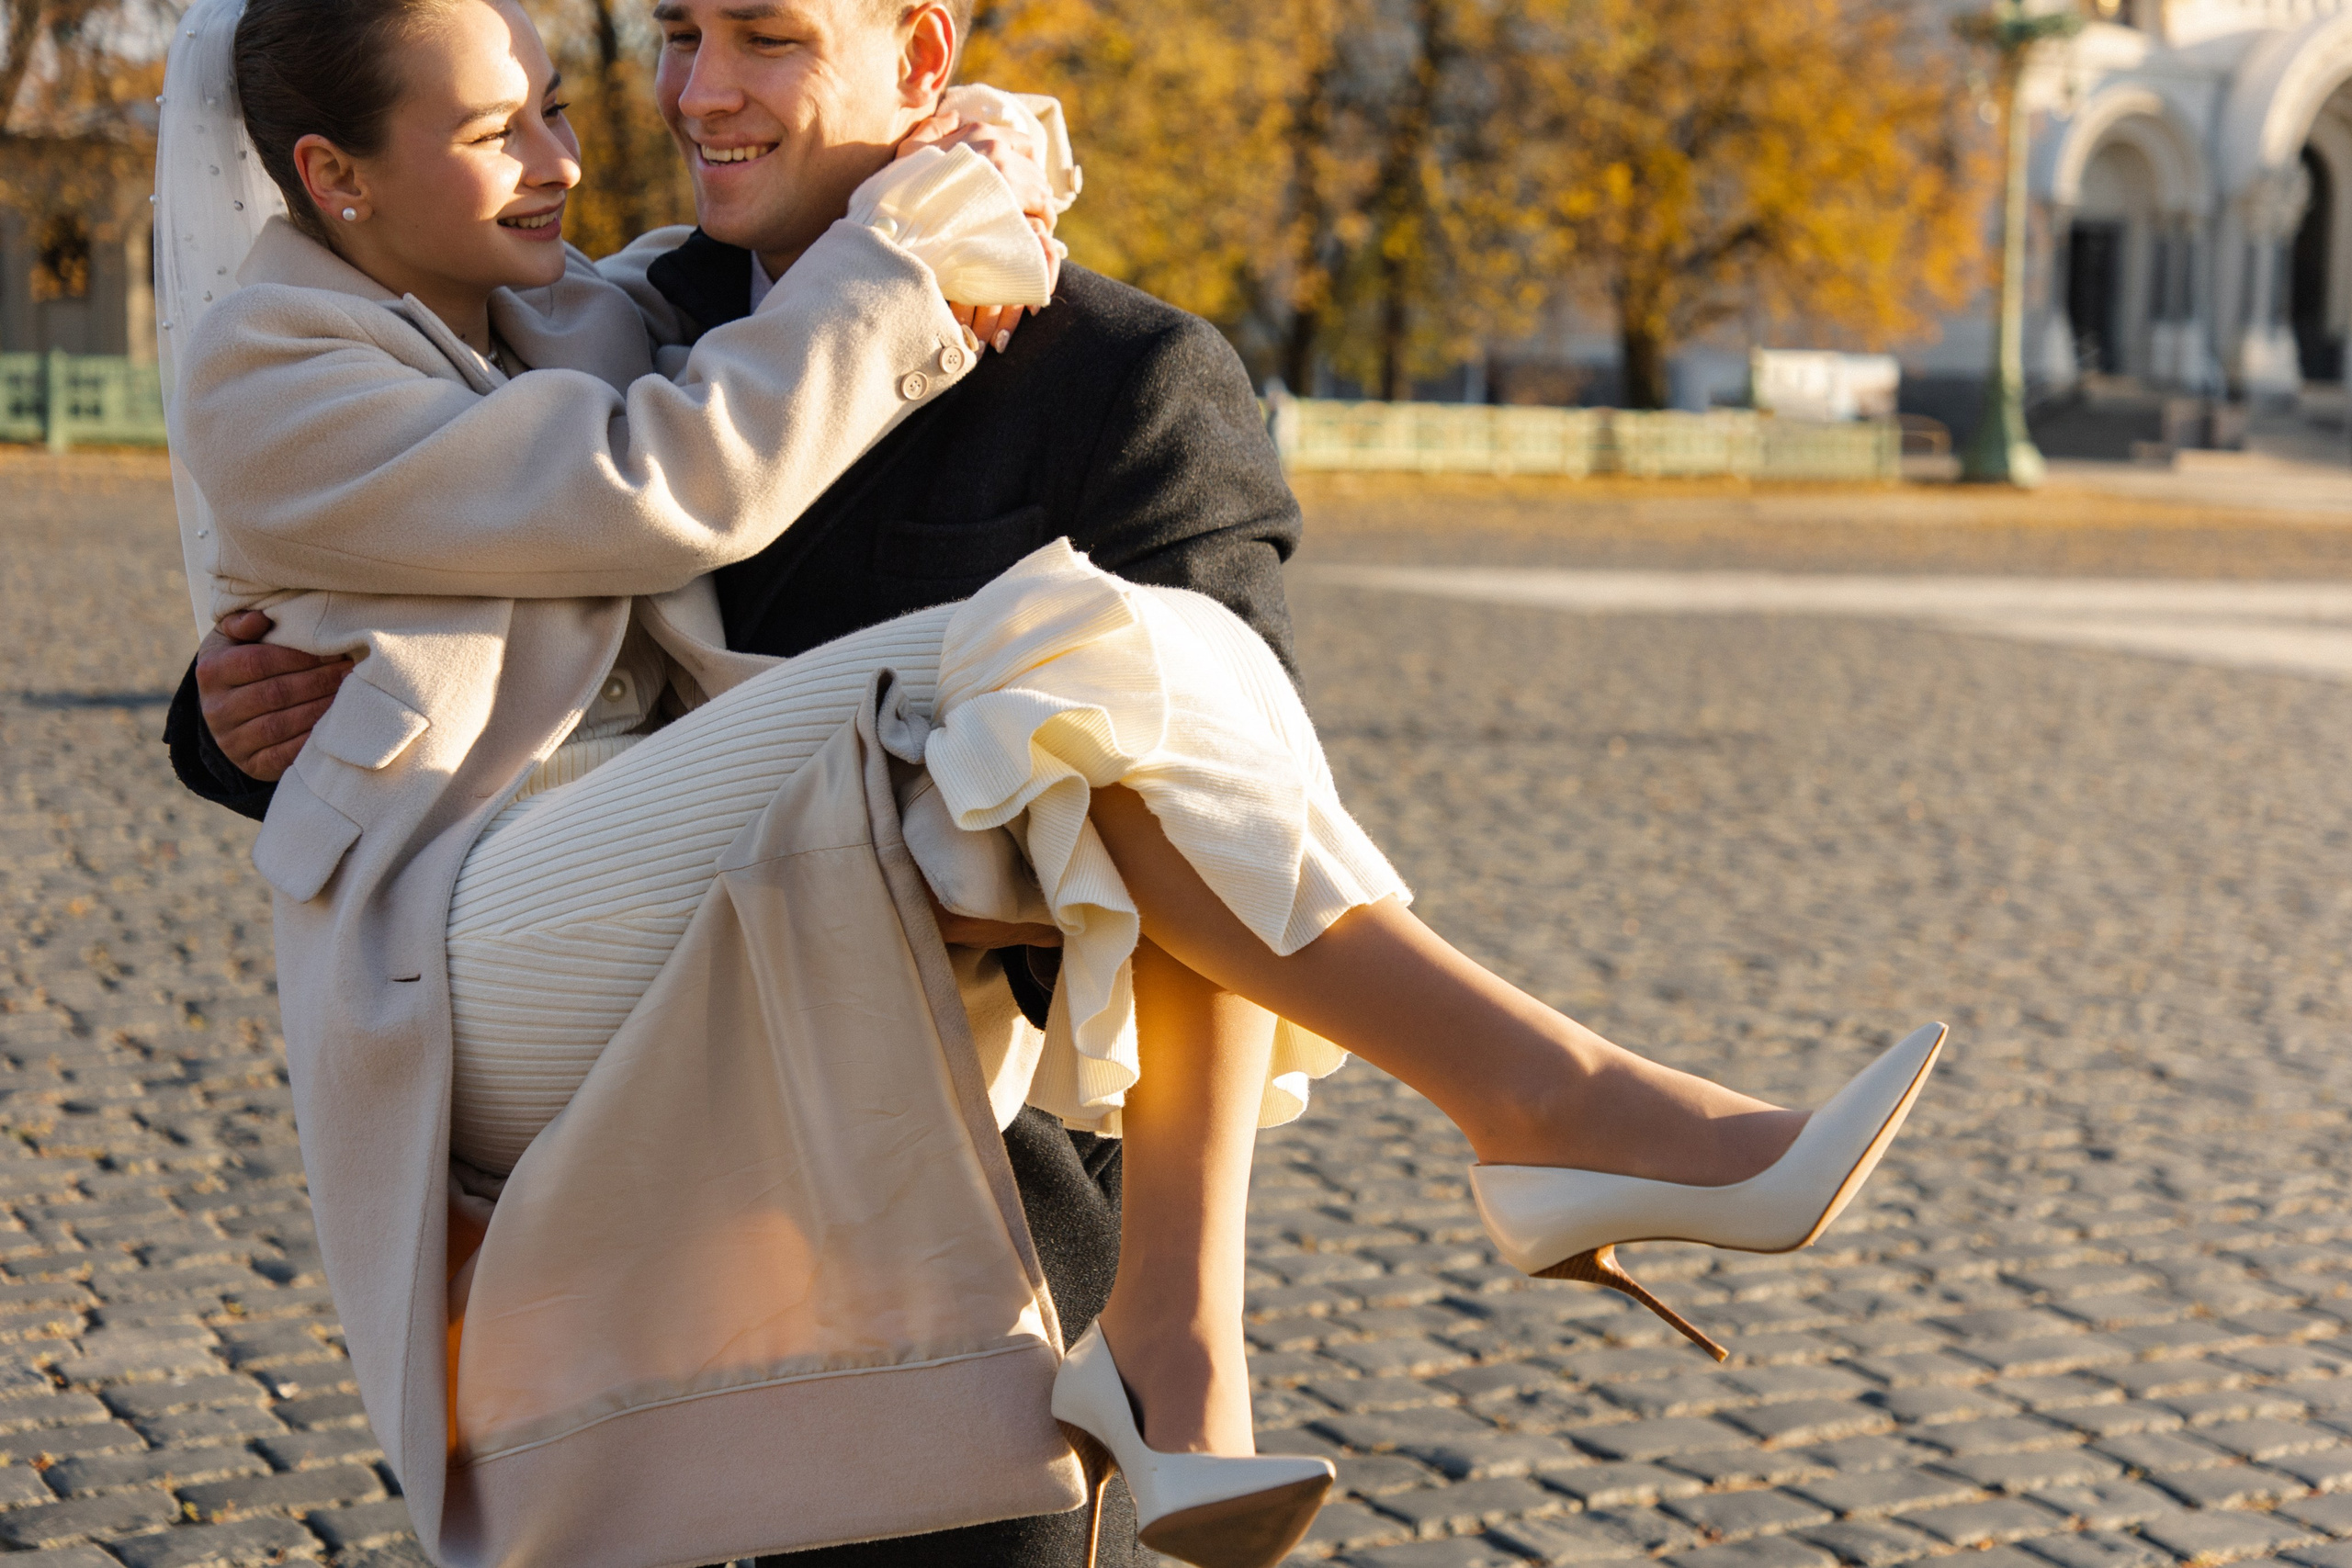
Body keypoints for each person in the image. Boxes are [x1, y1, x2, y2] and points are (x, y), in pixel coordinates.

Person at [158, 0, 1952, 1562]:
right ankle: (1542, 1112)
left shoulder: (1119, 378)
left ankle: (1208, 1314)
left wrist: (983, 167)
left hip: (957, 1174)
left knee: (1148, 675)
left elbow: (1235, 795)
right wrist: (226, 714)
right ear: (335, 175)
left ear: (922, 52)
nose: (683, 95)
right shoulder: (625, 312)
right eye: (679, 35)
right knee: (1053, 643)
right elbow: (578, 518)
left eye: (763, 35)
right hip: (572, 1058)